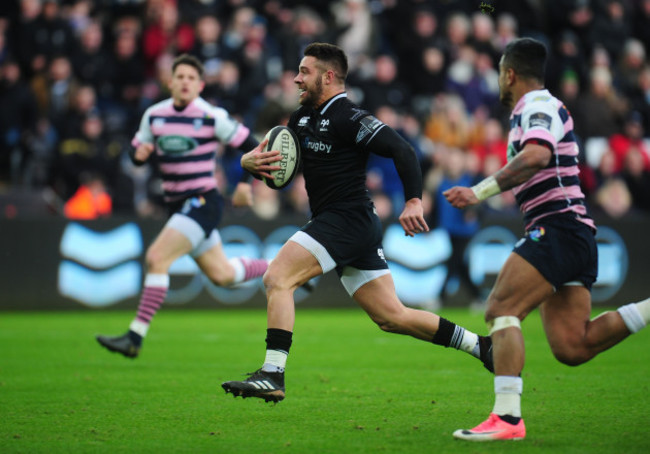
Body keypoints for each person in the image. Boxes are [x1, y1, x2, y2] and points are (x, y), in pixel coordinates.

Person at [221, 42, 493, 403]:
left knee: (277, 277)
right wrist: (247, 165)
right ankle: (482, 346)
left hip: (345, 220)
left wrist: (414, 200)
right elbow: (275, 162)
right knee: (392, 317)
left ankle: (272, 373)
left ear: (328, 76)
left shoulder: (350, 117)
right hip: (345, 225)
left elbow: (403, 149)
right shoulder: (301, 118)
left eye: (305, 71)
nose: (297, 78)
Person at [444, 37, 650, 442]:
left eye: (500, 76)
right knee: (573, 346)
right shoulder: (538, 107)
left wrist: (479, 191)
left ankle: (507, 418)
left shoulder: (537, 105)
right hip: (574, 232)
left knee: (501, 307)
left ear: (509, 74)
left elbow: (537, 155)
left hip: (557, 227)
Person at [96, 54, 268, 358]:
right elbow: (136, 151)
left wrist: (243, 184)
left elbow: (253, 145)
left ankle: (134, 337)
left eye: (191, 78)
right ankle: (277, 267)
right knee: (223, 275)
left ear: (200, 85)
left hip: (202, 201)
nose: (185, 82)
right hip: (177, 206)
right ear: (170, 81)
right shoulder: (154, 115)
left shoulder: (211, 116)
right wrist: (140, 154)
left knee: (156, 257)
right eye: (180, 77)